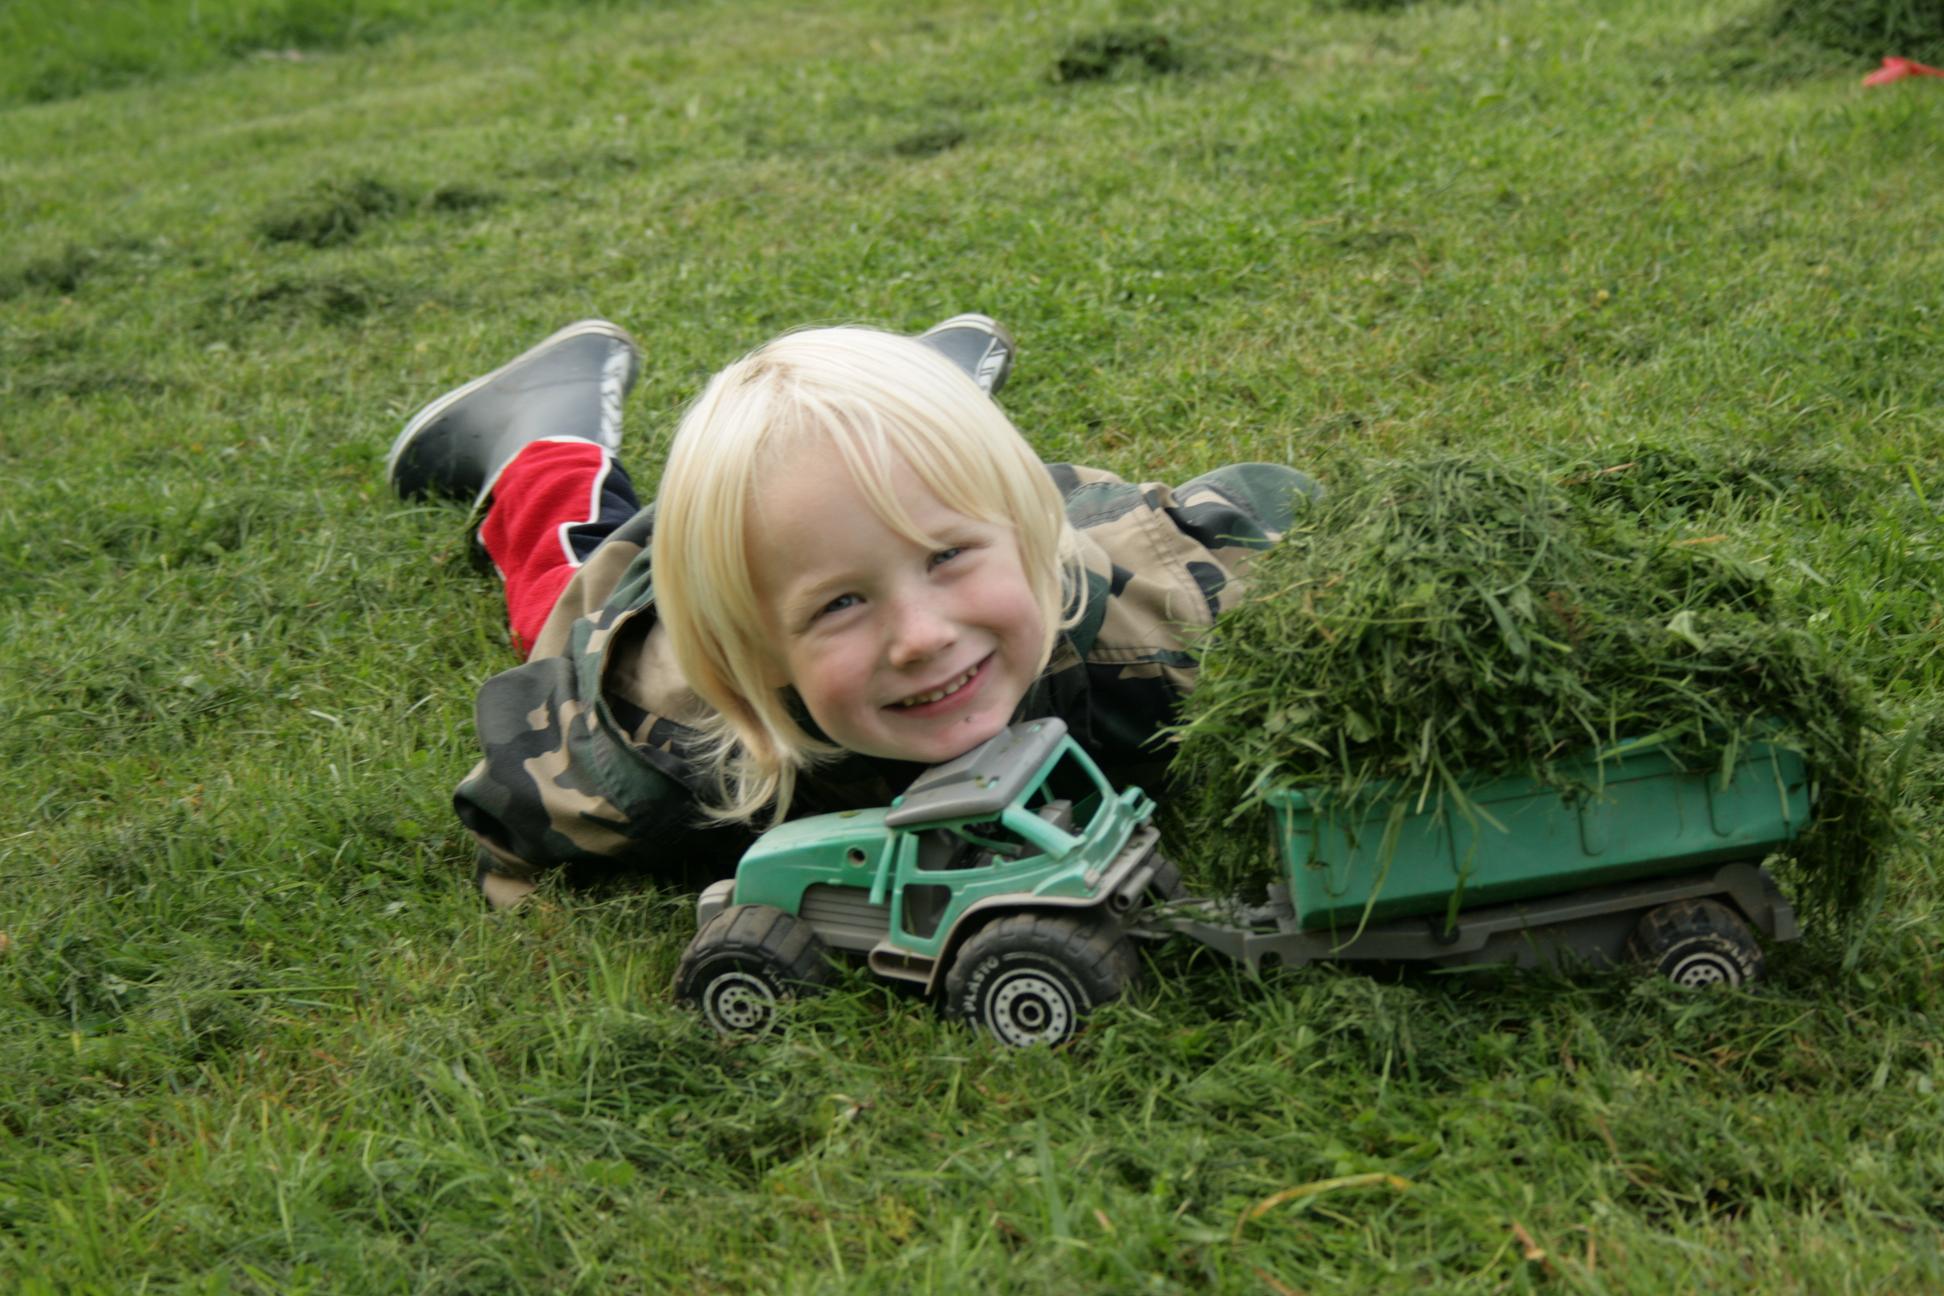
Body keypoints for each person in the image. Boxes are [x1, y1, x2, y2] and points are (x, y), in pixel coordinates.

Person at [388, 315, 1318, 907]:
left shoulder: (1150, 627)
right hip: (659, 577)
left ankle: (882, 410)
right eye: (840, 606)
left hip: (1009, 528)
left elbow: (1282, 533)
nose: (921, 638)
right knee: (572, 571)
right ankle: (541, 433)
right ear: (754, 656)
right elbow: (508, 827)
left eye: (947, 560)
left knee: (887, 497)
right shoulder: (660, 738)